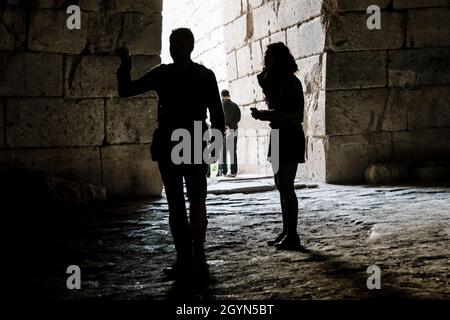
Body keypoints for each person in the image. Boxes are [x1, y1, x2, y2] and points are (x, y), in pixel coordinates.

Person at [116, 28, 225, 275]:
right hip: (193, 139)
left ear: (186, 47)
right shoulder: (204, 75)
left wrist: (125, 65)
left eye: (176, 44)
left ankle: (187, 256)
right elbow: (217, 117)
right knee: (194, 200)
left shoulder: (164, 74)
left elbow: (127, 89)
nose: (174, 48)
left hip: (171, 140)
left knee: (180, 201)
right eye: (172, 44)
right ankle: (196, 253)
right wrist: (213, 150)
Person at [251, 42, 305, 250]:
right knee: (280, 184)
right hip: (279, 133)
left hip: (290, 134)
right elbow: (267, 90)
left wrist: (266, 115)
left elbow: (295, 114)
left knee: (286, 185)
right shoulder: (279, 82)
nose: (266, 62)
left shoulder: (291, 83)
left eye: (270, 58)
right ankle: (287, 230)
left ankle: (293, 234)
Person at [218, 89, 241, 177]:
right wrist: (230, 125)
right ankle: (233, 171)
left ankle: (224, 171)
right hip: (233, 129)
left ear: (221, 95)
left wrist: (225, 126)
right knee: (233, 151)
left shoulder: (220, 105)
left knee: (223, 151)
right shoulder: (235, 105)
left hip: (223, 130)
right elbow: (238, 118)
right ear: (229, 95)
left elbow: (218, 118)